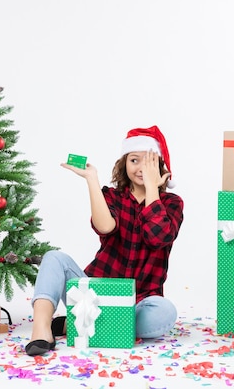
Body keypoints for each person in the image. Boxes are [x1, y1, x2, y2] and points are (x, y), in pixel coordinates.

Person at [25, 125, 184, 356]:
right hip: (94, 293)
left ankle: (79, 323)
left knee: (164, 312)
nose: (140, 168)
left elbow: (157, 237)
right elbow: (105, 226)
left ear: (160, 167)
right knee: (54, 258)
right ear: (124, 164)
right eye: (134, 160)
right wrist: (91, 179)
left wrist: (152, 187)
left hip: (138, 301)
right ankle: (42, 331)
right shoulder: (112, 196)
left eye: (148, 162)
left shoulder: (172, 203)